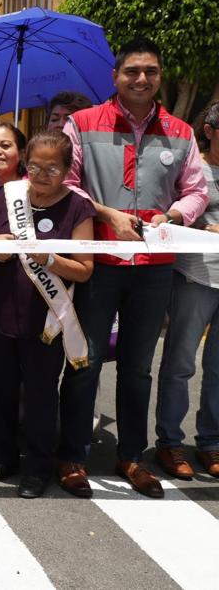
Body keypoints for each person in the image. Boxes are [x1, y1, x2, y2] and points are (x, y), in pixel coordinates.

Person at [59, 37, 207, 498]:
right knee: (85, 362)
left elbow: (197, 190)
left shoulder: (181, 133)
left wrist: (176, 215)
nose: (142, 79)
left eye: (151, 71)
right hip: (99, 262)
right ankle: (73, 456)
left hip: (155, 265)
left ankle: (131, 457)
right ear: (116, 76)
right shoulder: (81, 124)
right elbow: (66, 182)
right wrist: (105, 214)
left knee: (139, 367)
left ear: (159, 76)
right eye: (132, 71)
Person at [0, 130, 95, 497]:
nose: (42, 175)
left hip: (45, 322)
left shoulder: (77, 206)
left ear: (67, 169)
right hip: (0, 312)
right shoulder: (8, 195)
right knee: (2, 389)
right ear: (25, 163)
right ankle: (4, 456)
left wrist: (51, 260)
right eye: (35, 166)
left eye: (52, 169)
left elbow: (85, 268)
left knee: (42, 396)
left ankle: (39, 466)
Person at [155, 99, 219, 480]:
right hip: (195, 276)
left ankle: (211, 442)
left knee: (218, 369)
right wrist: (201, 230)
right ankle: (170, 442)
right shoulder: (193, 168)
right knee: (180, 364)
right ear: (209, 131)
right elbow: (171, 214)